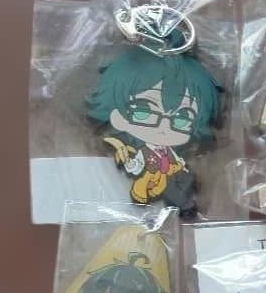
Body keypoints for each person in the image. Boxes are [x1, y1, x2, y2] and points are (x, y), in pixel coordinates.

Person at [87, 38, 221, 213]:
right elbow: (134, 166)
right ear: (119, 117)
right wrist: (129, 162)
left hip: (169, 178)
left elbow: (176, 161)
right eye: (145, 111)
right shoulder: (142, 152)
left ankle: (183, 202)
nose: (164, 126)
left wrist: (180, 165)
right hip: (149, 183)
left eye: (181, 118)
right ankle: (179, 202)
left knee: (183, 179)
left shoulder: (173, 152)